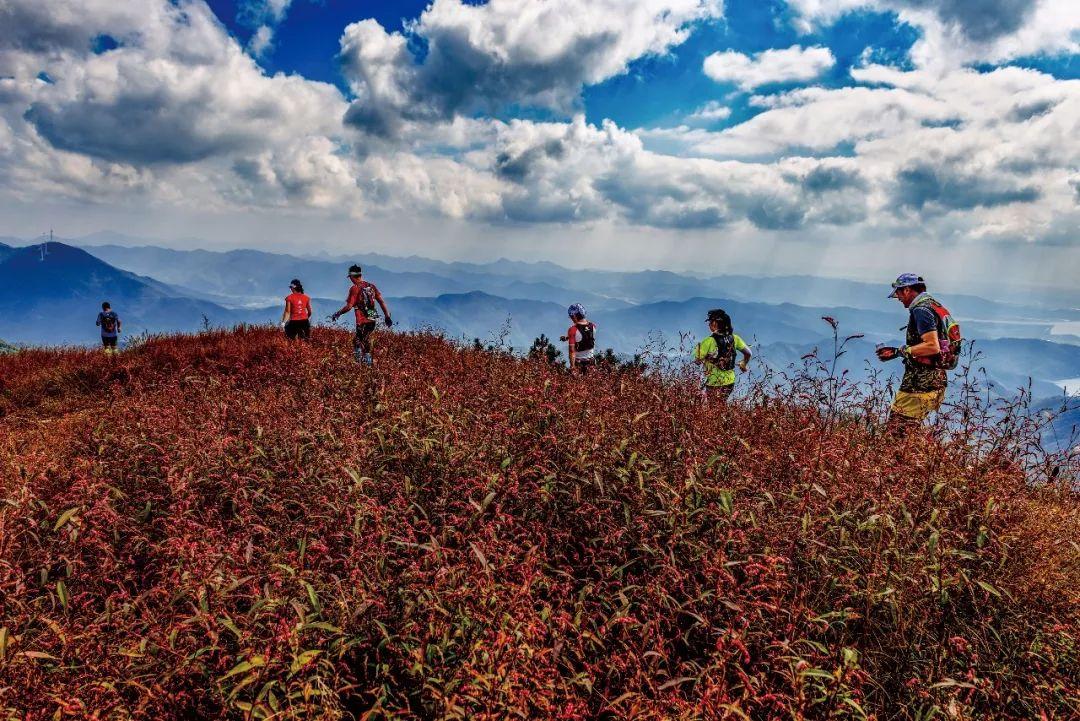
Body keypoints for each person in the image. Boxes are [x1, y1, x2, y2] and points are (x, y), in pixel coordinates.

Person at [876, 273, 962, 433]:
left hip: (919, 385)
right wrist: (896, 353)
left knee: (895, 436)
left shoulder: (921, 311)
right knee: (909, 436)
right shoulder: (934, 306)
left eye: (899, 293)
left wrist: (902, 350)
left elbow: (932, 346)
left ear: (907, 290)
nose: (898, 298)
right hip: (936, 381)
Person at [330, 265, 392, 365]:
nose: (350, 279)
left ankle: (360, 363)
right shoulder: (371, 286)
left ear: (352, 276)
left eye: (350, 277)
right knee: (365, 339)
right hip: (372, 316)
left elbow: (349, 306)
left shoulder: (354, 288)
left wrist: (338, 313)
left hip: (362, 319)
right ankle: (367, 362)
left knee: (357, 341)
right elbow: (381, 301)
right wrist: (387, 316)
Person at [694, 308, 751, 403]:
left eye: (710, 322)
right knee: (721, 405)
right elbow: (748, 353)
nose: (709, 324)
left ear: (715, 324)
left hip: (713, 381)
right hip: (730, 381)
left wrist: (706, 358)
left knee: (713, 409)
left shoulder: (708, 341)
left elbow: (697, 361)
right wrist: (743, 364)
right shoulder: (735, 338)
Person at [564, 303, 597, 374]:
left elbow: (572, 351)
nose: (571, 319)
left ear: (574, 316)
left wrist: (572, 367)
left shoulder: (572, 330)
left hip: (579, 364)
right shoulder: (593, 326)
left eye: (571, 316)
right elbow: (585, 336)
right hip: (592, 363)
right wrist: (568, 337)